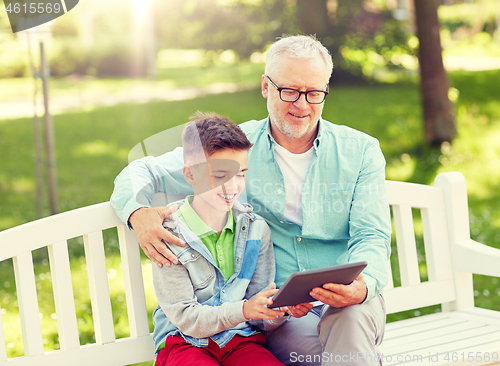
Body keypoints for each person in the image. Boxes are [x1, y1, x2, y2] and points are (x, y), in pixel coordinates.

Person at [111, 35, 392, 366]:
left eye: (314, 93)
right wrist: (138, 213)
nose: (302, 105)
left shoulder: (360, 151)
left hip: (350, 301)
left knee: (350, 320)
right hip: (282, 314)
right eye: (289, 91)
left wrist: (364, 286)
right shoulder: (235, 150)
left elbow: (372, 236)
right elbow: (141, 170)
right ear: (265, 87)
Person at [151, 112, 312, 366]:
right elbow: (186, 318)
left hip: (239, 340)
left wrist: (281, 309)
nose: (233, 187)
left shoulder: (256, 230)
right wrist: (244, 310)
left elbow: (259, 316)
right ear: (191, 175)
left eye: (240, 174)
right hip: (184, 343)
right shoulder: (168, 236)